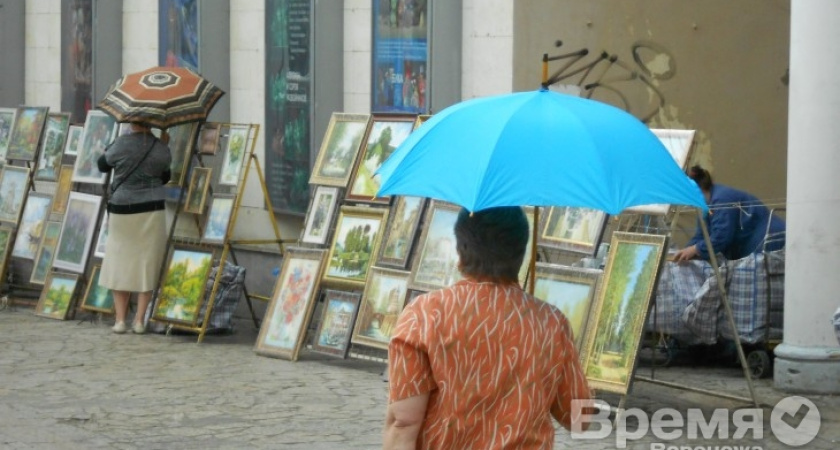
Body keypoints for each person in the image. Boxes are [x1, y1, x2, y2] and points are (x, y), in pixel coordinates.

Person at [384, 206, 591, 449]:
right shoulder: (551, 323)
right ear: (521, 254)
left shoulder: (423, 315)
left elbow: (404, 422)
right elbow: (579, 418)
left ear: (461, 252)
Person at [97, 122, 172, 334]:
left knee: (119, 259)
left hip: (123, 209)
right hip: (152, 209)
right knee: (147, 262)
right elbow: (166, 177)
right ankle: (139, 320)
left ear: (131, 122)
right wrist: (163, 145)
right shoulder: (161, 147)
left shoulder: (120, 144)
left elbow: (102, 165)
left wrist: (113, 146)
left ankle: (120, 320)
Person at [674, 165, 785, 262]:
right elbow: (702, 235)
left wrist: (695, 249)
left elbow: (721, 237)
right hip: (752, 244)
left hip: (768, 239)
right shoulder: (704, 207)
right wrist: (684, 251)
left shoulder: (721, 198)